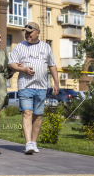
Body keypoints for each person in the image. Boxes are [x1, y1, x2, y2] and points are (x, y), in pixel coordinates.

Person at [8, 22, 60, 154]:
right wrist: (23, 69)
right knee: (27, 112)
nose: (27, 34)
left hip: (42, 87)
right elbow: (11, 64)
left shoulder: (46, 47)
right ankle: (28, 144)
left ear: (37, 32)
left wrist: (56, 82)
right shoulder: (20, 46)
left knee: (38, 115)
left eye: (29, 32)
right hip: (25, 86)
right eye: (25, 32)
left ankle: (34, 142)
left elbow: (52, 65)